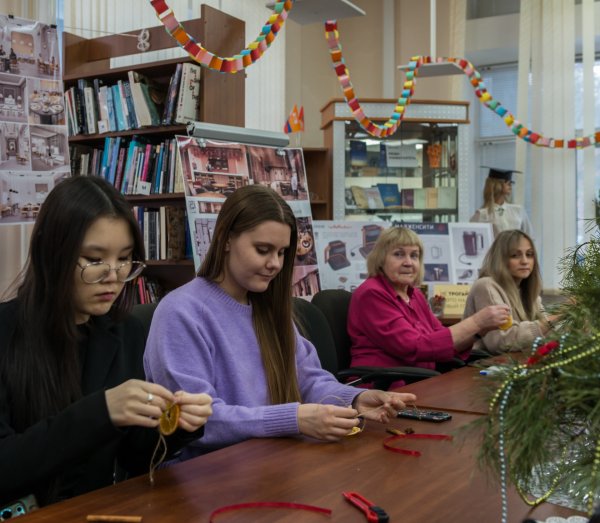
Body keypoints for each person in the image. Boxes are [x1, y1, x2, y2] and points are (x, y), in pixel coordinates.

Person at [144, 185, 416, 458]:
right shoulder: (181, 312)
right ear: (226, 239)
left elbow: (308, 380)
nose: (275, 263)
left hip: (271, 458)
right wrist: (293, 419)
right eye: (263, 250)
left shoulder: (269, 307)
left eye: (282, 252)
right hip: (208, 470)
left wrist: (355, 399)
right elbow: (197, 422)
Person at [0, 176, 212, 508]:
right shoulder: (6, 332)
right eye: (94, 259)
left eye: (124, 258)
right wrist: (102, 411)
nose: (113, 275)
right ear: (50, 252)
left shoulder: (125, 332)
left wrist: (180, 426)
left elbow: (134, 458)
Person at [348, 227, 510, 383]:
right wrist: (477, 322)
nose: (408, 262)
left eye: (414, 255)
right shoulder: (372, 293)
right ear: (380, 259)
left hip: (418, 381)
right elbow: (413, 346)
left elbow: (441, 340)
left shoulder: (415, 295)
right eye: (398, 254)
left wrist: (479, 332)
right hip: (383, 386)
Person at [462, 229, 559, 355]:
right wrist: (560, 314)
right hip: (482, 363)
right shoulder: (486, 285)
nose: (525, 261)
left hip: (516, 361)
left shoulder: (528, 292)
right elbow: (502, 341)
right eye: (515, 255)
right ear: (500, 259)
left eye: (529, 254)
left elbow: (549, 333)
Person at [470, 168, 533, 237]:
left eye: (511, 182)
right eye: (506, 182)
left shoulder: (518, 210)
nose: (510, 185)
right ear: (496, 184)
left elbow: (529, 236)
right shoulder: (482, 214)